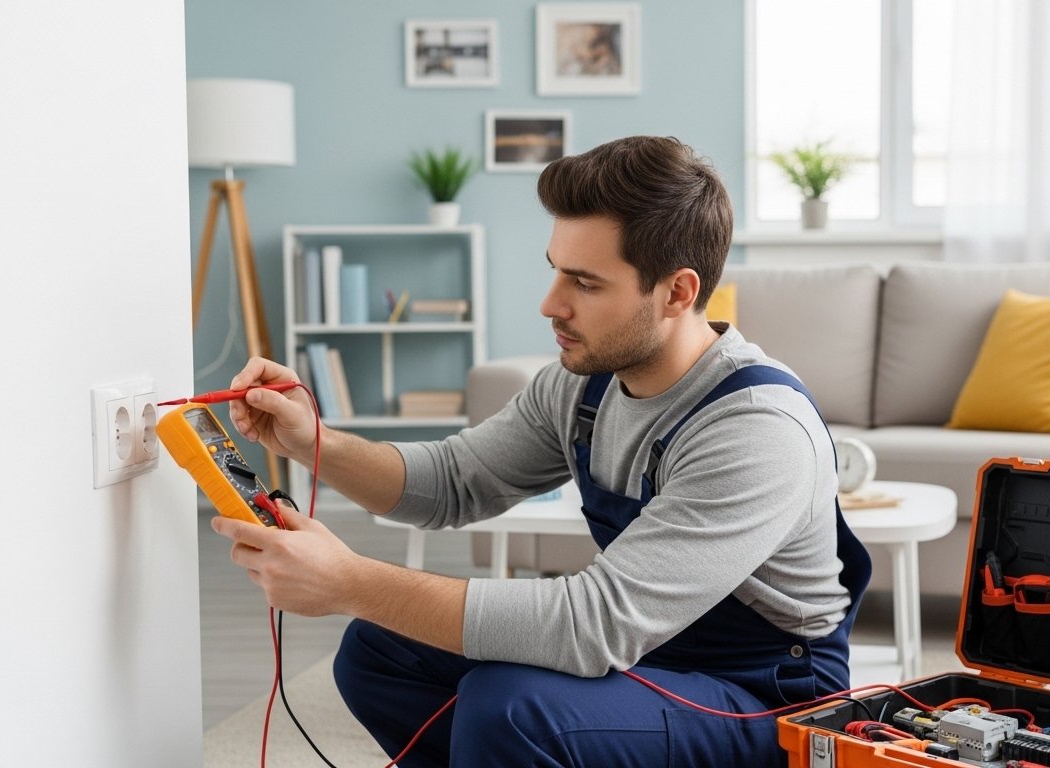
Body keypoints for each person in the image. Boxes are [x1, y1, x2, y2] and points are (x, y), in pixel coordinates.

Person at [213, 135, 872, 767]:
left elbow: (594, 626)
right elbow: (453, 482)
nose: (549, 304)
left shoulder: (755, 427)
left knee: (514, 711)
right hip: (654, 652)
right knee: (380, 651)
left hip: (765, 703)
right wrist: (311, 440)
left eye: (585, 284)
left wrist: (349, 581)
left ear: (677, 292)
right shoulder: (582, 384)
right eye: (555, 271)